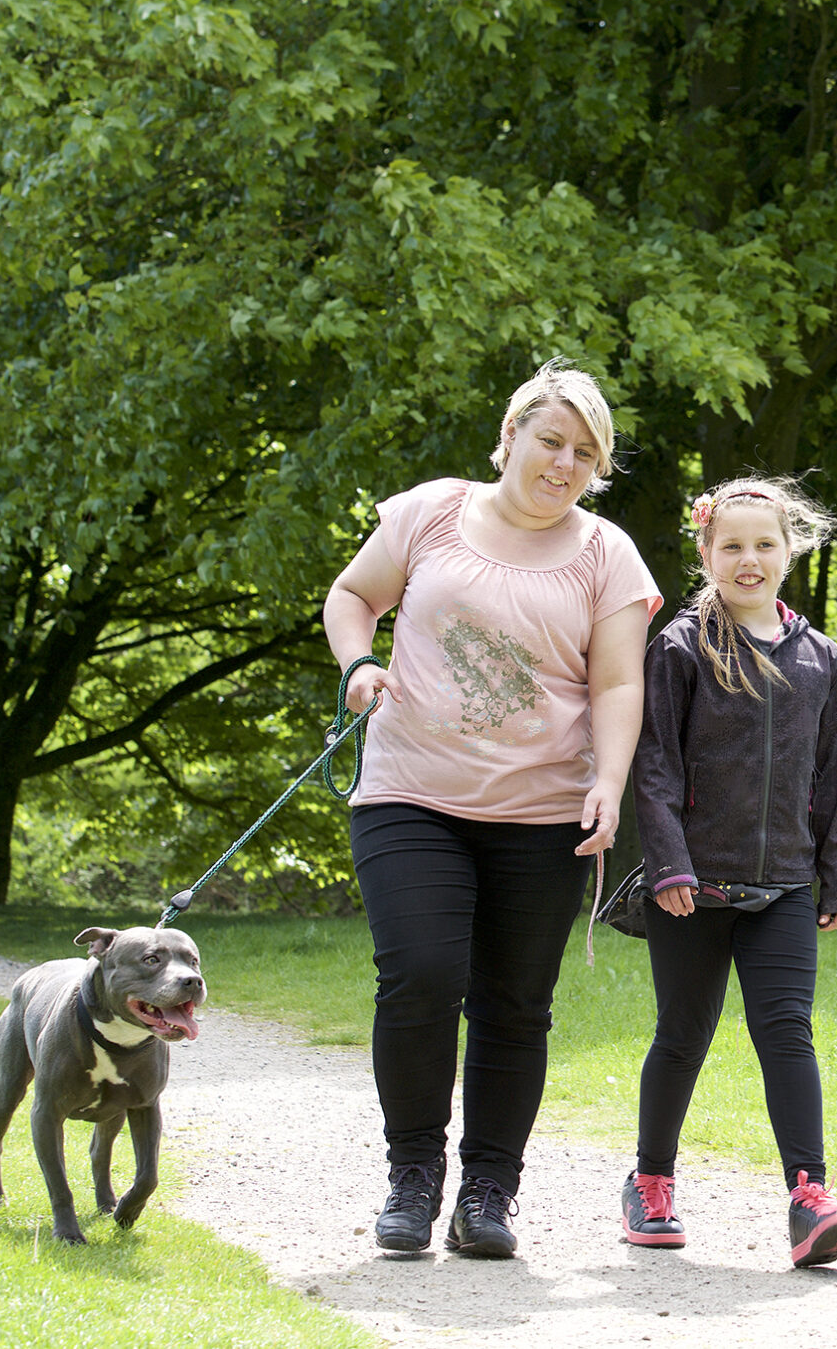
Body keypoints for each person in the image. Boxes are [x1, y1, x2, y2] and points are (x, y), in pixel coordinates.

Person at [325, 361, 659, 1259]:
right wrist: (359, 664)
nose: (563, 463)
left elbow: (618, 682)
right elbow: (354, 596)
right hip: (411, 793)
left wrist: (610, 780)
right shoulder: (430, 512)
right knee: (422, 976)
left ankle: (488, 1193)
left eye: (585, 453)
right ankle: (412, 1176)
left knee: (515, 1004)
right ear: (510, 436)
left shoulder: (607, 555)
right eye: (551, 440)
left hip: (543, 811)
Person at [621, 474, 837, 1268]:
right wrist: (668, 865)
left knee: (787, 1031)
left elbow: (831, 778)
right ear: (705, 553)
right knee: (683, 1035)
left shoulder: (821, 658)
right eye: (731, 546)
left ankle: (811, 1199)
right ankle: (650, 1182)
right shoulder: (681, 647)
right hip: (692, 889)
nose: (748, 559)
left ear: (790, 551)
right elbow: (654, 765)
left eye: (764, 544)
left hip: (785, 886)